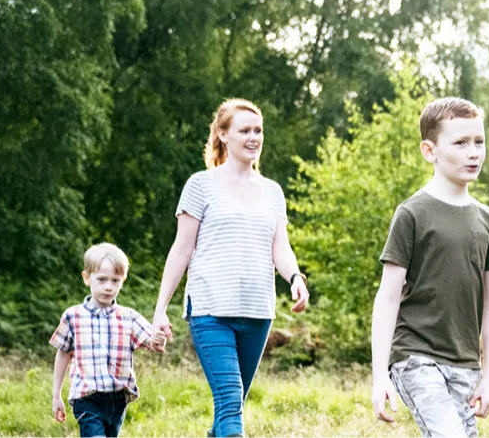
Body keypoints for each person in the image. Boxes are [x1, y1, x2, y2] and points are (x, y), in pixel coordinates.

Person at [151, 98, 311, 438]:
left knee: (230, 407)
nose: (253, 137)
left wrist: (295, 277)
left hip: (257, 311)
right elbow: (181, 249)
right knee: (228, 399)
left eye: (258, 130)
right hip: (211, 309)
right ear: (223, 135)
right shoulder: (200, 185)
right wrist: (160, 309)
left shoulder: (272, 192)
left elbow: (279, 247)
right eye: (244, 130)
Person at [370, 97, 489, 438]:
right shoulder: (412, 214)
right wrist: (379, 377)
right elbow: (387, 298)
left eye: (479, 142)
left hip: (465, 364)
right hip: (415, 357)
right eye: (460, 143)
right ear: (429, 151)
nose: (473, 152)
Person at [50, 242, 165, 438]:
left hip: (117, 399)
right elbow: (63, 354)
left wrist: (159, 337)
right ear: (87, 278)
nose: (108, 287)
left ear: (123, 280)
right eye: (102, 280)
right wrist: (56, 395)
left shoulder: (129, 317)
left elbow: (153, 343)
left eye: (115, 280)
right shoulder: (73, 316)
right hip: (86, 397)